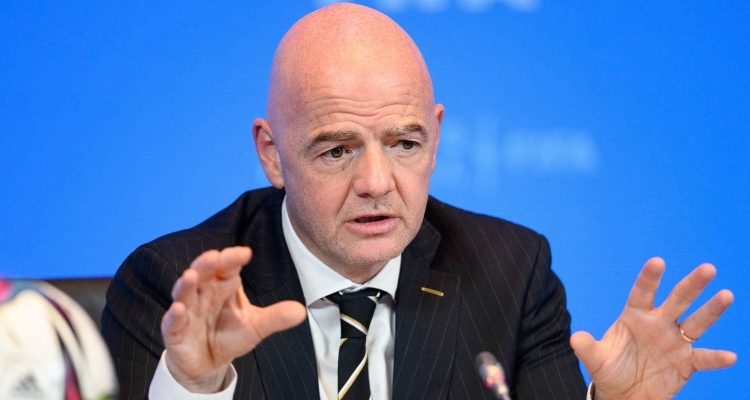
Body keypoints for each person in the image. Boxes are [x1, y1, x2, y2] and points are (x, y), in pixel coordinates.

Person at [101, 3, 736, 399]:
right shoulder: (171, 288)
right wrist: (195, 385)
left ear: (435, 136)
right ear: (272, 153)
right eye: (337, 150)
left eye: (405, 144)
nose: (377, 182)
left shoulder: (512, 273)